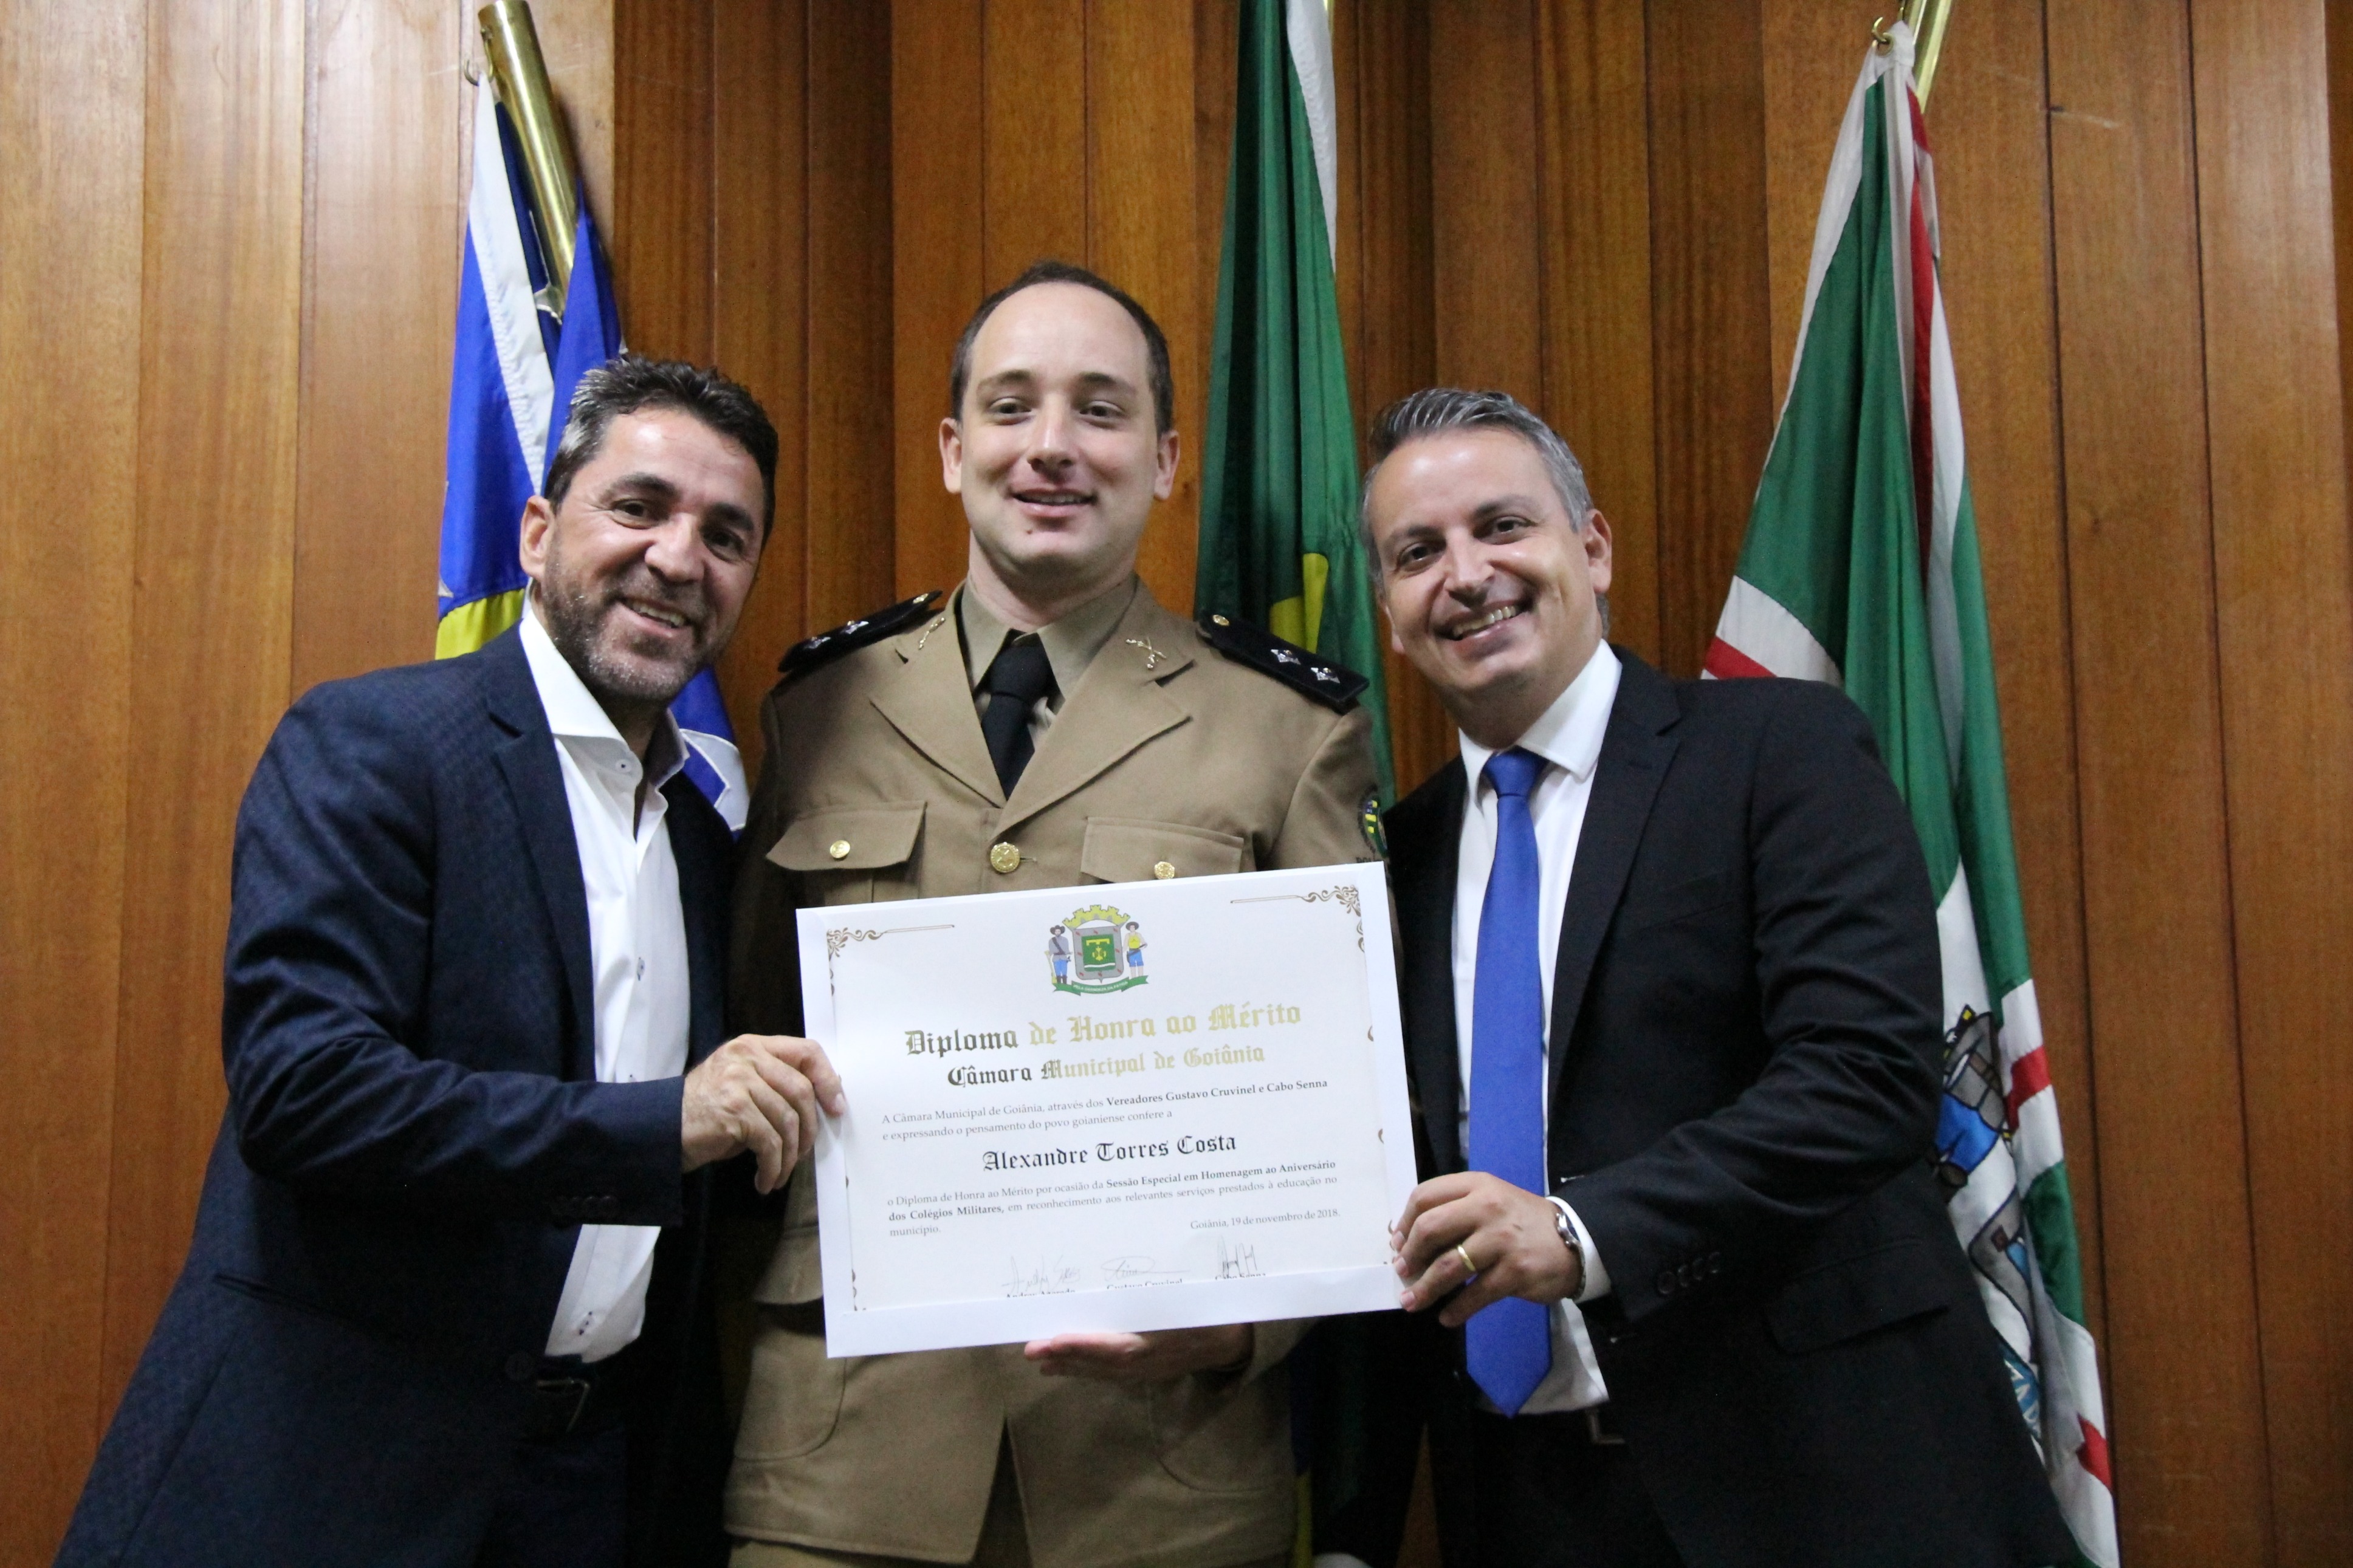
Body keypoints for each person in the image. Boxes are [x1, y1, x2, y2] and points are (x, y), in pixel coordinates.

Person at [57, 357, 843, 1568]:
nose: (679, 558)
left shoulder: (703, 841)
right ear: (537, 532)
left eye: (725, 535)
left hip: (594, 1487)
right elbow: (307, 1094)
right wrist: (667, 1121)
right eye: (638, 507)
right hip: (331, 1483)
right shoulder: (375, 744)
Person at [1317, 389, 2074, 1568]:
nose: (1466, 574)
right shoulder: (1393, 865)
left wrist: (1582, 1232)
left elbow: (1866, 1079)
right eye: (1418, 553)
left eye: (1502, 526)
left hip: (1821, 1484)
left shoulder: (1783, 752)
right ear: (1392, 615)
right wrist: (1350, 1535)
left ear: (1593, 549)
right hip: (1533, 1510)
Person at [724, 260, 1383, 1568]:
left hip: (1158, 1479)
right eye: (1012, 406)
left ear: (1167, 458)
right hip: (845, 1466)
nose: (1053, 446)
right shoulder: (820, 710)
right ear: (952, 449)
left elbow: (1354, 1107)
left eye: (1101, 409)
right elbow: (746, 1038)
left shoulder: (1286, 729)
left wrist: (1247, 1328)